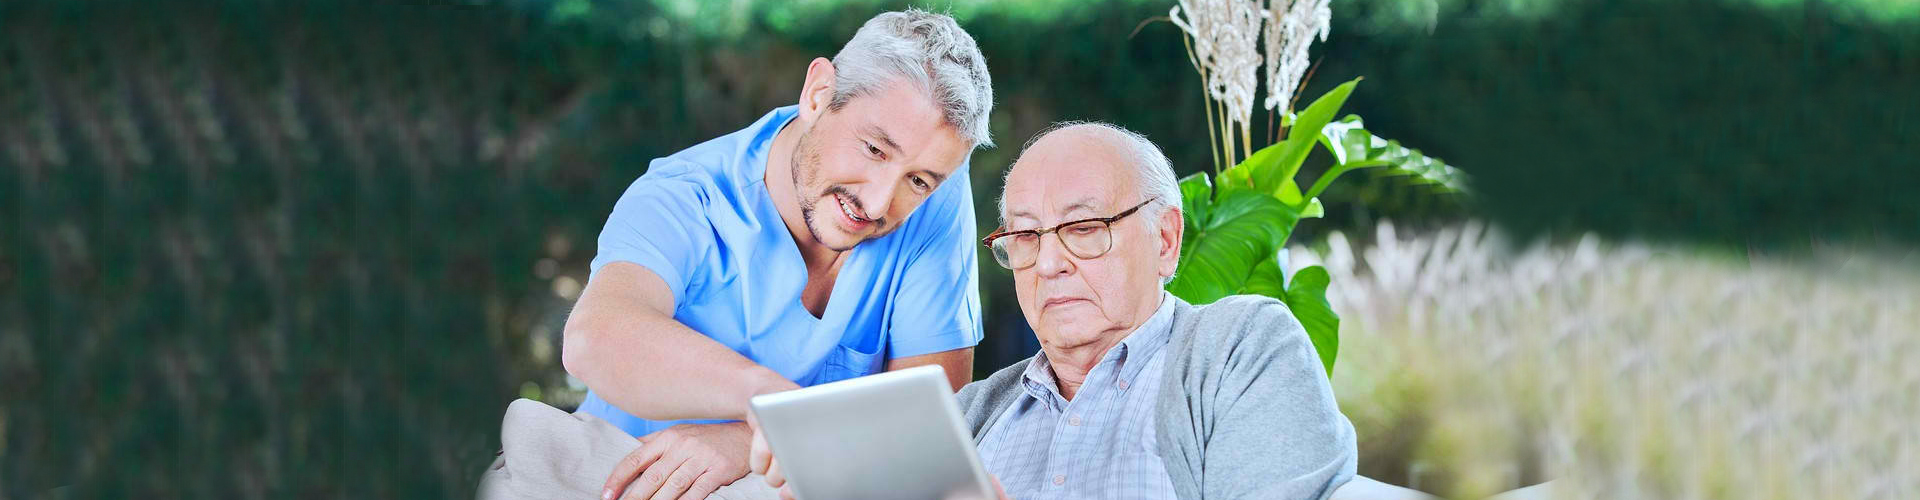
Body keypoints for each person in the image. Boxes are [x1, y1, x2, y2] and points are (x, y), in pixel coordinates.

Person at [528, 9, 995, 500]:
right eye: (874, 150)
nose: (879, 202)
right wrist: (773, 406)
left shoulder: (932, 192)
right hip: (625, 480)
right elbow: (593, 339)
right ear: (818, 94)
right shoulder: (685, 197)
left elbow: (928, 422)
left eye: (918, 180)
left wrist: (751, 438)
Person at [752, 122, 1359, 500]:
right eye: (1026, 236)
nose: (1048, 263)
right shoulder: (973, 412)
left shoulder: (1238, 350)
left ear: (1166, 241)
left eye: (1085, 227)